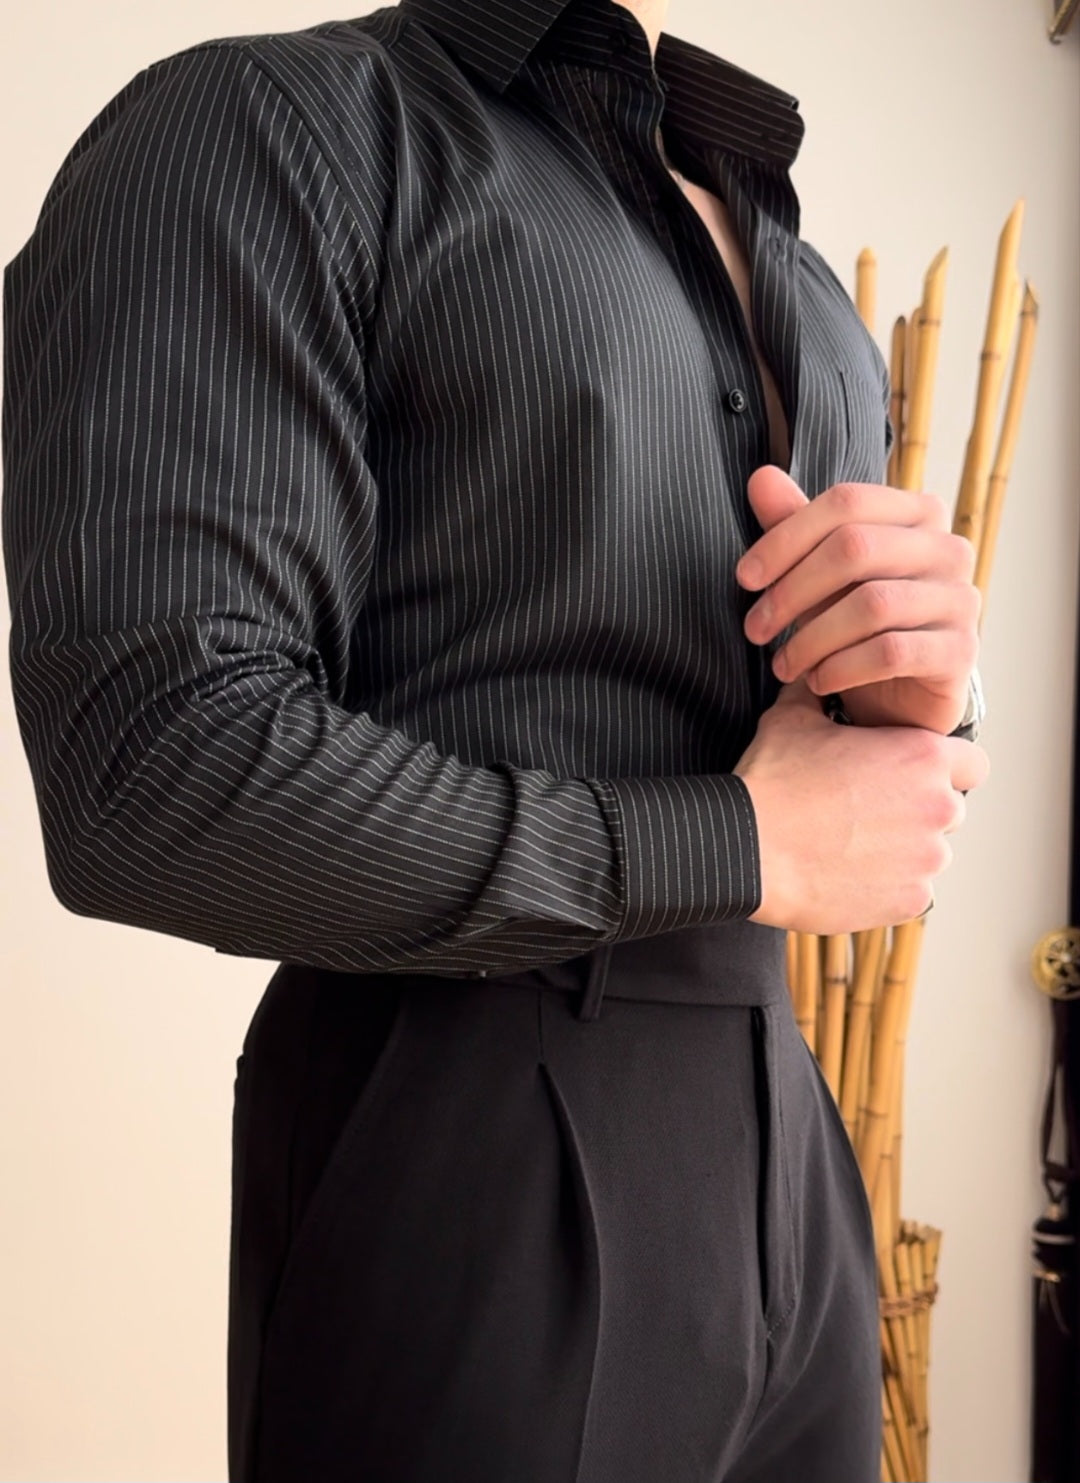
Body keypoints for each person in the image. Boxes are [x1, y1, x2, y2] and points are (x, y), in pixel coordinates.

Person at [2, 0, 990, 1479]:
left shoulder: (785, 250)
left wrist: (918, 690)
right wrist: (733, 839)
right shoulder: (274, 127)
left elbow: (847, 795)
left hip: (791, 1151)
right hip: (470, 1137)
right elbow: (153, 763)